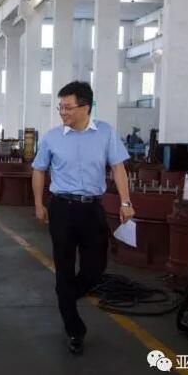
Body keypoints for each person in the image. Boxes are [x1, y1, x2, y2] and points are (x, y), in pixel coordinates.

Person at [31, 81, 134, 355]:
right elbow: (39, 170)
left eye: (68, 107)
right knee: (64, 267)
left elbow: (118, 168)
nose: (63, 112)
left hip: (92, 209)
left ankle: (66, 294)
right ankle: (74, 329)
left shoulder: (105, 133)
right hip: (61, 208)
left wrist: (125, 201)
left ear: (85, 107)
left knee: (94, 269)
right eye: (60, 107)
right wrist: (39, 204)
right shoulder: (52, 137)